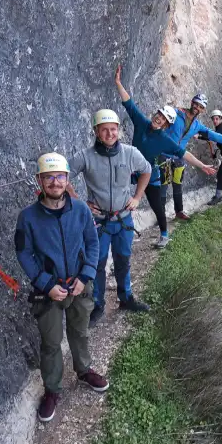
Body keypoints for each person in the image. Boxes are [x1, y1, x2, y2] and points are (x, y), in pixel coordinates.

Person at [14, 152, 108, 423]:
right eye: (49, 177)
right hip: (49, 290)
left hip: (79, 284)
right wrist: (45, 283)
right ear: (39, 181)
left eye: (60, 177)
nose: (55, 182)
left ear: (68, 180)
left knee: (80, 332)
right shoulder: (28, 218)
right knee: (51, 343)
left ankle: (84, 370)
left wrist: (86, 275)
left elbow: (92, 243)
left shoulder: (80, 210)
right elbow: (24, 253)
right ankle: (52, 389)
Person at [113, 66, 216, 248]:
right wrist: (118, 83)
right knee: (114, 186)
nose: (158, 118)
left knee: (157, 206)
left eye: (163, 118)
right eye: (158, 115)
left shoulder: (165, 140)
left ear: (167, 124)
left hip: (150, 176)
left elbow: (185, 154)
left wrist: (202, 166)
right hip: (131, 170)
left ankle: (164, 234)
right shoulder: (142, 123)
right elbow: (129, 104)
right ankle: (116, 225)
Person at [67, 109, 152, 328]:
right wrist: (79, 201)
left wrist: (137, 197)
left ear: (119, 131)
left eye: (113, 129)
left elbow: (147, 170)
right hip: (99, 222)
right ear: (96, 131)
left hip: (123, 220)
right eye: (104, 130)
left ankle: (126, 298)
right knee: (97, 264)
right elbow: (63, 174)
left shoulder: (130, 153)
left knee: (123, 259)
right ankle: (98, 304)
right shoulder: (85, 156)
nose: (109, 134)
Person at [163, 92, 222, 219]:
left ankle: (179, 212)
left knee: (177, 184)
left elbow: (213, 135)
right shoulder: (176, 113)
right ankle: (160, 214)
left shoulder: (196, 125)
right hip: (164, 155)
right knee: (163, 185)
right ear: (192, 102)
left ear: (203, 110)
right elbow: (161, 121)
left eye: (201, 106)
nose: (197, 107)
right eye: (196, 104)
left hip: (180, 157)